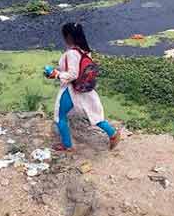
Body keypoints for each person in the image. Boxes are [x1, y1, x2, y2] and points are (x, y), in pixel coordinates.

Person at [45, 22, 120, 152]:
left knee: (59, 116)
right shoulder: (85, 51)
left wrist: (55, 74)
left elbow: (73, 74)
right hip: (84, 87)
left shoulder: (71, 53)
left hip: (71, 89)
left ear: (68, 37)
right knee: (92, 112)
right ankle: (112, 133)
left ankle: (67, 145)